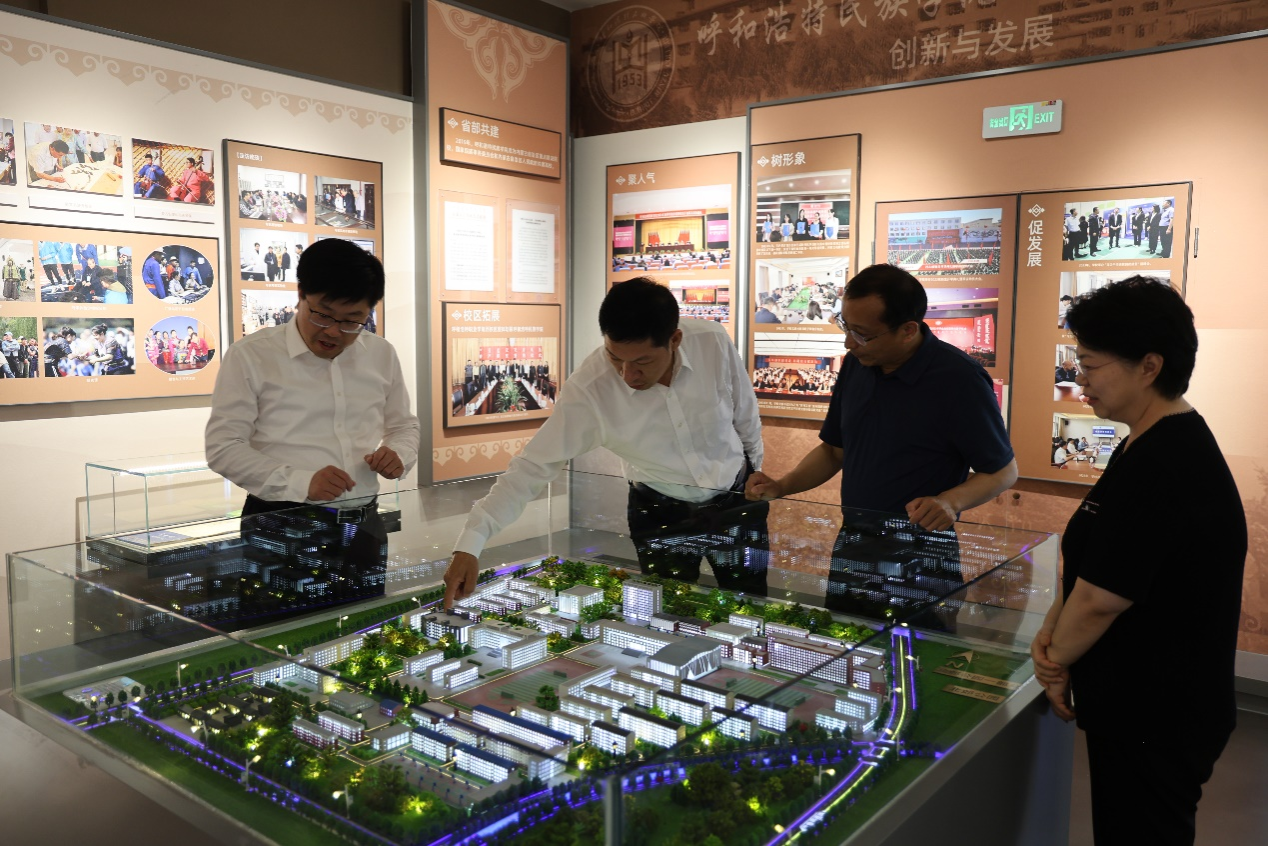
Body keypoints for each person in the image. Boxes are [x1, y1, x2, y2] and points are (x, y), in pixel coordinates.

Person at [1029, 277, 1244, 846]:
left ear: (1149, 366)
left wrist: (1052, 662)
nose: (1079, 379)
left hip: (1160, 712)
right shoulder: (1143, 442)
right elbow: (1093, 562)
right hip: (1140, 704)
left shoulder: (1168, 460)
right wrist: (1051, 634)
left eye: (1089, 365)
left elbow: (1102, 598)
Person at [442, 277, 767, 607]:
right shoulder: (590, 390)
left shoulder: (711, 341)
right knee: (669, 612)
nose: (627, 375)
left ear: (675, 340)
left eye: (642, 362)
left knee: (752, 604)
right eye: (614, 358)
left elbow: (744, 411)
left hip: (737, 499)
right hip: (661, 513)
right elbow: (532, 467)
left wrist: (755, 468)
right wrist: (471, 543)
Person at [206, 238, 419, 579]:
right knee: (276, 614)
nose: (334, 331)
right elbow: (223, 447)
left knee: (371, 614)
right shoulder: (252, 356)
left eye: (352, 321)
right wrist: (301, 482)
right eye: (322, 314)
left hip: (365, 524)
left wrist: (400, 454)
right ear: (301, 295)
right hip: (281, 525)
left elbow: (404, 426)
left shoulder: (381, 354)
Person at [746, 264, 1017, 530]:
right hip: (854, 536)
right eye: (845, 326)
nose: (849, 343)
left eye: (862, 335)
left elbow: (1002, 472)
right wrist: (782, 486)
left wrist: (949, 502)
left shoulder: (959, 379)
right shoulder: (857, 364)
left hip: (919, 543)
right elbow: (834, 452)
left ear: (908, 331)